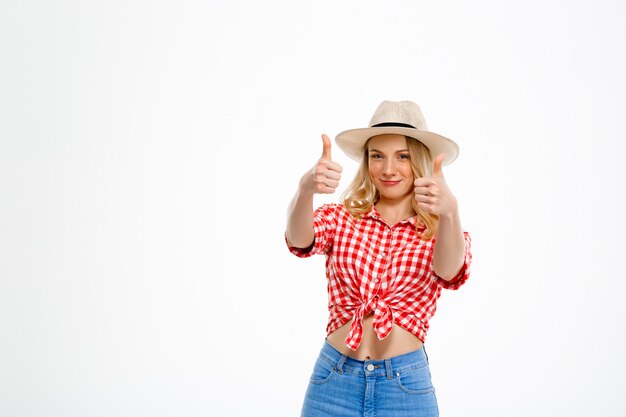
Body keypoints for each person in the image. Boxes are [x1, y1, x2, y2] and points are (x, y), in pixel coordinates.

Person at [285, 100, 472, 417]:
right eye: (377, 156)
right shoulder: (342, 218)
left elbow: (450, 271)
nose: (388, 169)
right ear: (366, 162)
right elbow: (300, 240)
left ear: (420, 161)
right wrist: (305, 189)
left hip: (404, 387)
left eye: (403, 156)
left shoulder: (440, 230)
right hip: (334, 381)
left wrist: (450, 212)